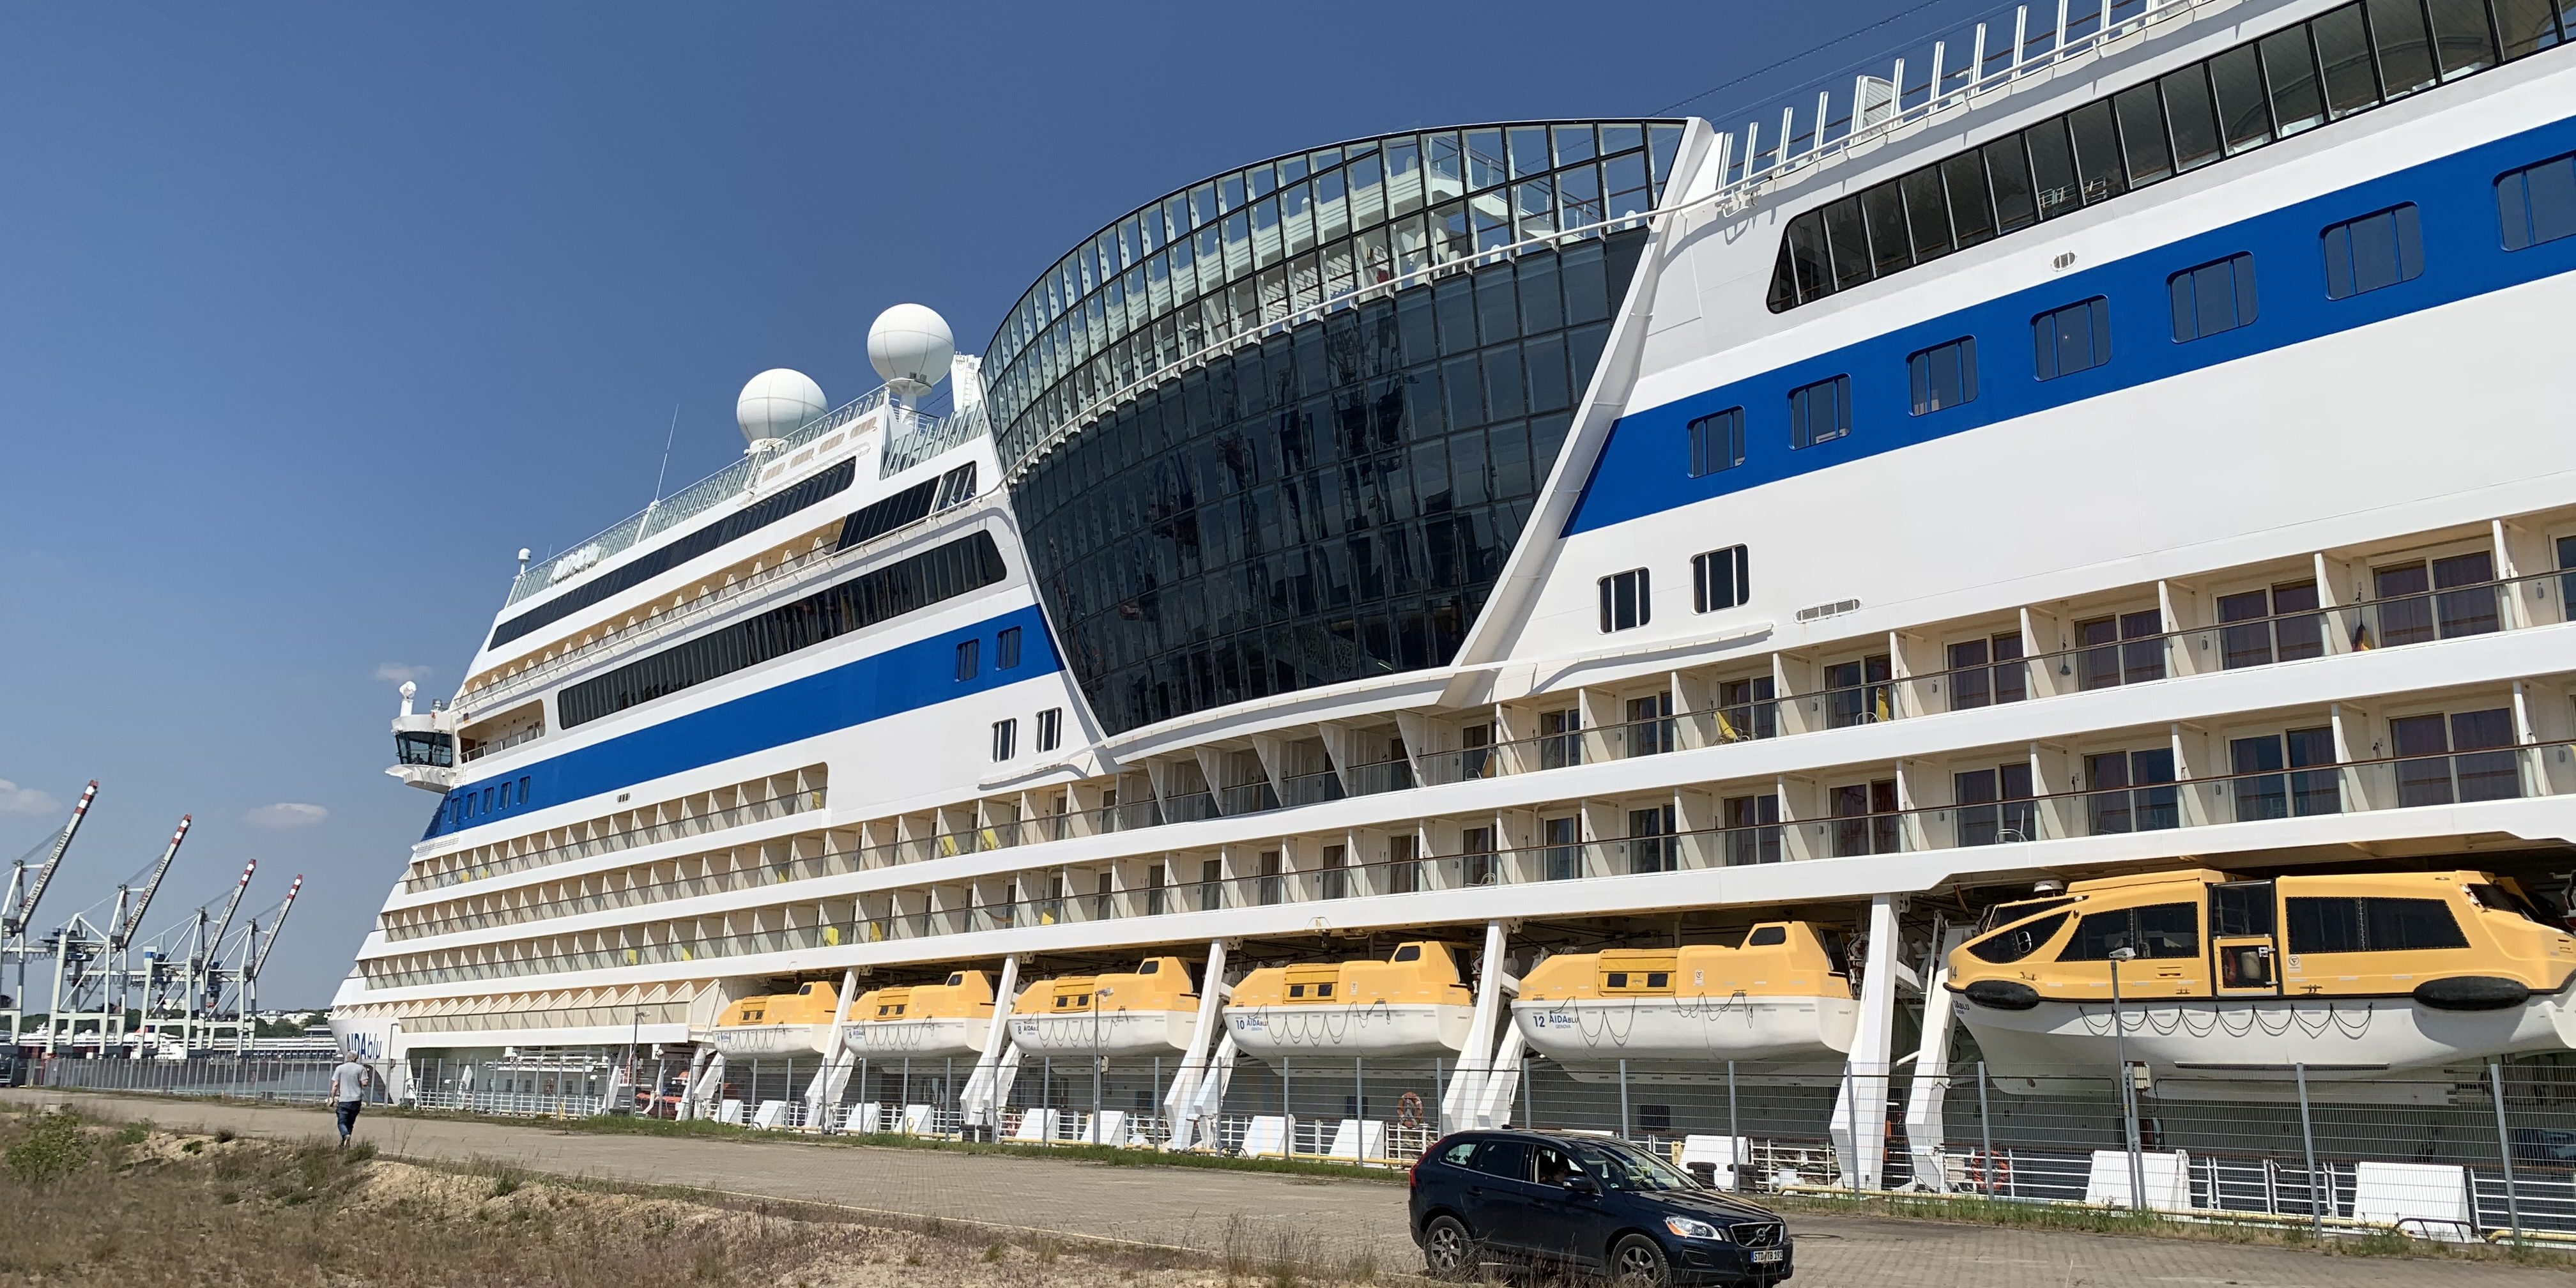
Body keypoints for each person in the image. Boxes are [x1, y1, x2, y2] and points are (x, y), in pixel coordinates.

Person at [330, 1052, 373, 1149]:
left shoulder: (340, 1068)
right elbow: (365, 1083)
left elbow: (335, 1085)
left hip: (344, 1100)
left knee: (341, 1122)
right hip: (356, 1100)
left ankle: (346, 1136)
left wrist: (332, 1099)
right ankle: (345, 1144)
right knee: (350, 1123)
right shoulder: (361, 1068)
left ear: (347, 1058)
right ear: (356, 1059)